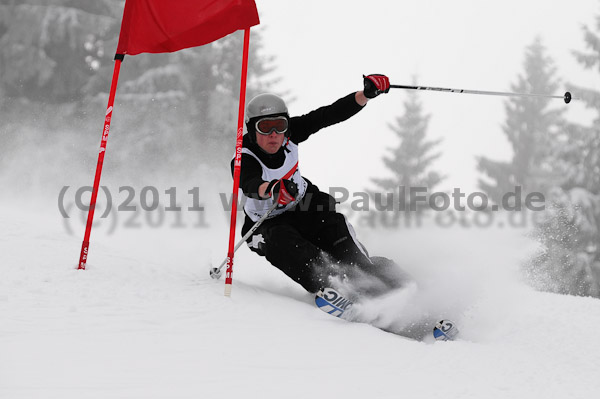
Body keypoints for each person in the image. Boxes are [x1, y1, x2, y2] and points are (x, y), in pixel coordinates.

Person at [231, 74, 409, 301]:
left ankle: (391, 283)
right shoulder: (243, 156)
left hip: (305, 204)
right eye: (265, 127)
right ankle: (334, 288)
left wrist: (365, 95)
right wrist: (274, 189)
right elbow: (249, 184)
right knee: (285, 244)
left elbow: (327, 115)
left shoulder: (291, 133)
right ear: (251, 129)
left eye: (280, 126)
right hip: (267, 221)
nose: (274, 134)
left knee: (338, 236)